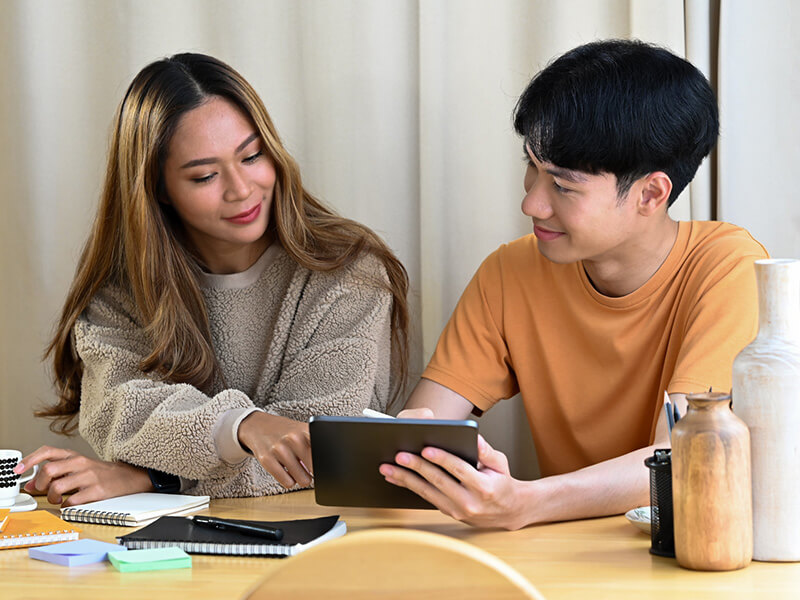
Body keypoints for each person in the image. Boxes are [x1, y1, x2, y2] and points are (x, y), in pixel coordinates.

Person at [380, 39, 768, 529]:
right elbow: (424, 426)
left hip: (684, 548)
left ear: (651, 193)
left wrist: (527, 502)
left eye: (562, 186)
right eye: (531, 167)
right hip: (555, 553)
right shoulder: (510, 272)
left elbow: (679, 458)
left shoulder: (728, 268)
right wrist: (420, 455)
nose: (532, 205)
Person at [15, 53, 409, 506]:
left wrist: (156, 479)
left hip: (317, 535)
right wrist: (244, 427)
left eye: (252, 155)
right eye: (204, 175)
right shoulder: (121, 288)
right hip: (168, 545)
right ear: (158, 188)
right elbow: (120, 413)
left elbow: (317, 451)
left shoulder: (348, 271)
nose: (241, 189)